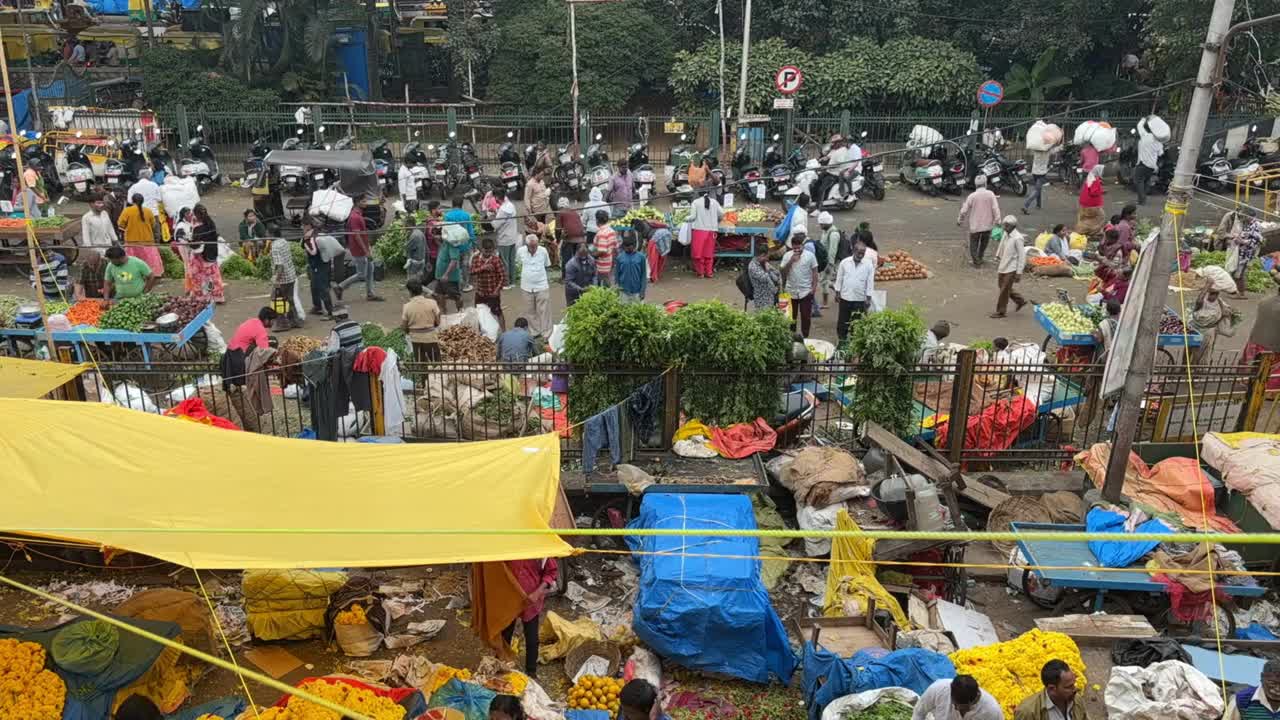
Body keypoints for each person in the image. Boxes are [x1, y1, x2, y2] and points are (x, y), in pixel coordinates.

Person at [503, 556, 558, 677]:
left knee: (532, 638)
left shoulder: (541, 550)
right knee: (505, 634)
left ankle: (531, 671)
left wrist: (538, 592)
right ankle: (501, 663)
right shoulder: (509, 544)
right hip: (510, 598)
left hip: (532, 600)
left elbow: (551, 572)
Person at [338, 206, 383, 302]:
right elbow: (357, 236)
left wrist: (368, 249)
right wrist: (366, 252)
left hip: (364, 248)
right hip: (359, 250)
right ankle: (340, 286)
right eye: (363, 201)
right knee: (361, 274)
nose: (366, 203)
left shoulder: (358, 215)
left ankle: (370, 293)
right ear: (358, 203)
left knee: (371, 268)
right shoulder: (355, 217)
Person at [1014, 659, 1084, 720]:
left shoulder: (1076, 700)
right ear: (1052, 689)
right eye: (1068, 687)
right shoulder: (1027, 712)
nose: (1074, 689)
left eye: (1073, 684)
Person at [834, 241, 875, 343]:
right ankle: (842, 341)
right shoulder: (845, 262)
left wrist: (868, 298)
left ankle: (854, 342)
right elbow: (839, 278)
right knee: (842, 321)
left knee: (857, 323)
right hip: (845, 298)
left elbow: (870, 282)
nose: (861, 255)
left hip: (859, 299)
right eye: (859, 252)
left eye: (863, 253)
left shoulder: (868, 265)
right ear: (853, 250)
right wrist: (837, 292)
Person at [957, 175, 1001, 267]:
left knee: (973, 244)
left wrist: (960, 220)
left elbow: (964, 210)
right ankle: (980, 258)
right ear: (985, 184)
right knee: (983, 244)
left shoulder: (972, 196)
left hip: (975, 226)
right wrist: (998, 220)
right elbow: (995, 208)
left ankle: (976, 261)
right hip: (988, 225)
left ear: (976, 185)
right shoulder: (990, 194)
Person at [912, 675, 1002, 720]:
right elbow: (919, 712)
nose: (957, 708)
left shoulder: (992, 712)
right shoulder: (939, 689)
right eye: (954, 704)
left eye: (964, 708)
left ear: (974, 700)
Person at [781, 233, 819, 337]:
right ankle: (790, 337)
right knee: (789, 318)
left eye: (799, 246)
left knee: (806, 317)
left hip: (805, 291)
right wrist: (791, 261)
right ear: (792, 246)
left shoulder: (810, 256)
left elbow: (815, 272)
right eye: (795, 246)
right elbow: (782, 272)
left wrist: (814, 288)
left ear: (802, 246)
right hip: (790, 291)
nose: (797, 249)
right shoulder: (787, 256)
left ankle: (805, 337)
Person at [117, 192, 163, 276]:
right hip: (147, 241)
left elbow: (120, 224)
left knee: (132, 263)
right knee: (148, 262)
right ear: (143, 201)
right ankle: (151, 276)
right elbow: (153, 225)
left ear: (132, 201)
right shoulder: (148, 211)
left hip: (132, 242)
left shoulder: (127, 211)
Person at [991, 215, 1028, 318]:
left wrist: (1019, 272)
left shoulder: (1018, 238)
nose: (1004, 228)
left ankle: (1001, 311)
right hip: (1003, 264)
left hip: (1012, 267)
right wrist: (997, 256)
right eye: (1004, 225)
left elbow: (1022, 256)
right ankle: (1020, 300)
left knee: (1004, 290)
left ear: (1013, 226)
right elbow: (1001, 245)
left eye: (1007, 226)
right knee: (1003, 286)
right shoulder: (1006, 234)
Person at [302, 223, 341, 319]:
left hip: (319, 266)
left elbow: (313, 251)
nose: (302, 229)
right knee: (314, 286)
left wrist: (305, 241)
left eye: (303, 226)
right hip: (324, 263)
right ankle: (317, 306)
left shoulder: (312, 238)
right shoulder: (319, 234)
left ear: (308, 227)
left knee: (322, 288)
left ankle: (330, 312)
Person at [1190, 282, 1237, 360]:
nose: (1212, 296)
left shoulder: (1219, 302)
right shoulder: (1202, 301)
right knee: (1191, 349)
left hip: (1210, 331)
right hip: (1196, 329)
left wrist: (1228, 313)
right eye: (1211, 293)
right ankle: (1185, 366)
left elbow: (1228, 311)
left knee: (1205, 351)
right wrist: (1207, 286)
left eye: (1215, 294)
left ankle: (1198, 368)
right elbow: (1198, 301)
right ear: (1207, 293)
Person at [188, 204, 224, 303]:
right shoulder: (211, 223)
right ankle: (217, 297)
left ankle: (203, 297)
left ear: (196, 214)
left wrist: (188, 241)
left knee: (199, 278)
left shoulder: (197, 228)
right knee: (213, 277)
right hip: (211, 255)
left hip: (200, 257)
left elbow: (195, 245)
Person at [470, 237, 508, 329]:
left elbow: (503, 276)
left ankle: (504, 332)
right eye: (486, 251)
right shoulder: (475, 258)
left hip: (492, 293)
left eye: (490, 251)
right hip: (480, 292)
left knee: (497, 312)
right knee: (479, 312)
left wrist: (497, 290)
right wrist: (483, 268)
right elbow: (471, 271)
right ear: (481, 249)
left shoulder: (496, 260)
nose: (488, 253)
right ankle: (481, 332)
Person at [401, 278, 442, 362]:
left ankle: (424, 375)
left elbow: (404, 327)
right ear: (422, 290)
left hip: (416, 340)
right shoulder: (432, 303)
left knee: (421, 364)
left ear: (410, 292)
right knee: (437, 364)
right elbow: (438, 322)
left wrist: (411, 330)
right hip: (431, 338)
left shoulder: (407, 307)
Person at [518, 233, 551, 336]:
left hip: (542, 286)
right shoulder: (520, 251)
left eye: (535, 246)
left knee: (544, 310)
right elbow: (518, 263)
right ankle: (535, 332)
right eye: (531, 247)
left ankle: (546, 333)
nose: (533, 249)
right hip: (526, 287)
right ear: (526, 245)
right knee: (529, 311)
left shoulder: (543, 251)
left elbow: (546, 264)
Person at [444, 196, 476, 291]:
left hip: (453, 246)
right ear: (461, 205)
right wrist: (474, 243)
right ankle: (465, 285)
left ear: (452, 204)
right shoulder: (466, 215)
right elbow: (470, 231)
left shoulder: (448, 216)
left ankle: (455, 285)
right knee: (465, 265)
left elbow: (445, 231)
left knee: (454, 265)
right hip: (465, 245)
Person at [269, 234, 301, 330]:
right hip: (291, 275)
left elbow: (280, 266)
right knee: (289, 299)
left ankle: (282, 324)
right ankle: (294, 320)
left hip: (283, 279)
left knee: (276, 300)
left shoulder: (275, 247)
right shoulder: (284, 241)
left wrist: (277, 280)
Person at [690, 190, 724, 278]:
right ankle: (709, 272)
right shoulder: (714, 202)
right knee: (708, 253)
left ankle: (700, 273)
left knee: (698, 253)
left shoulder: (696, 202)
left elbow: (693, 217)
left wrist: (686, 219)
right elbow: (722, 213)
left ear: (698, 193)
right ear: (709, 193)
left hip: (699, 230)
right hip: (711, 231)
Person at [433, 226, 466, 313]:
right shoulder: (444, 243)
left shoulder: (452, 245)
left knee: (456, 296)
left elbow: (454, 261)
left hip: (449, 278)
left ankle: (461, 312)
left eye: (438, 234)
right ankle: (444, 312)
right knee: (438, 295)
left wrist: (446, 274)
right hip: (440, 276)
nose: (436, 236)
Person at [1231, 213, 1264, 298]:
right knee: (1236, 272)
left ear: (1250, 215)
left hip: (1246, 254)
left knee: (1239, 274)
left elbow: (1256, 242)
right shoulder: (1247, 223)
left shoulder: (1256, 225)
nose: (1243, 217)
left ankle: (1241, 294)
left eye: (1245, 215)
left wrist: (1242, 241)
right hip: (1241, 252)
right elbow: (1244, 235)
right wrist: (1237, 238)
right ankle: (1238, 292)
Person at [494, 187, 519, 288]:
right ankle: (512, 281)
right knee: (511, 260)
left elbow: (496, 225)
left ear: (497, 197)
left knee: (504, 262)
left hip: (504, 238)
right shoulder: (510, 205)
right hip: (512, 236)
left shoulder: (503, 210)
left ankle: (506, 283)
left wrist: (491, 219)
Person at [1134, 120, 1164, 206]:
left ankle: (1142, 200)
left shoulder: (1144, 135)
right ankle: (1143, 199)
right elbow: (1161, 153)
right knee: (1146, 181)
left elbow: (1139, 125)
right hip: (1152, 166)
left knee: (1138, 181)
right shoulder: (1159, 142)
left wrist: (1145, 119)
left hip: (1142, 163)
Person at [818, 211, 843, 307]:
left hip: (829, 262)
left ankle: (825, 302)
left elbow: (832, 251)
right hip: (824, 261)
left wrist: (830, 265)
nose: (820, 225)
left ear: (825, 223)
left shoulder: (833, 234)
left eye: (821, 224)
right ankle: (838, 291)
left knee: (824, 281)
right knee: (825, 280)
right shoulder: (825, 231)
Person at [747, 244, 781, 312]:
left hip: (771, 296)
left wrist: (771, 272)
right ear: (762, 255)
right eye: (767, 256)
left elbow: (776, 273)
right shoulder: (753, 267)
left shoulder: (763, 262)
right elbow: (766, 278)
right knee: (764, 319)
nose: (767, 258)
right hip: (762, 299)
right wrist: (769, 271)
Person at [615, 234, 648, 303]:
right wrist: (617, 288)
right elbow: (617, 275)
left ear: (634, 245)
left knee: (637, 311)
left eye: (628, 247)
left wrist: (642, 291)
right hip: (623, 291)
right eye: (625, 247)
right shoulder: (620, 257)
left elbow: (643, 275)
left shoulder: (641, 257)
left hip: (637, 291)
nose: (626, 249)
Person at [557, 196, 587, 272]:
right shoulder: (574, 211)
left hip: (570, 238)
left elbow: (557, 229)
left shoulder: (560, 212)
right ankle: (579, 273)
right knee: (578, 257)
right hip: (581, 237)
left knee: (566, 257)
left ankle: (566, 275)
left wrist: (558, 240)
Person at [1076, 165, 1106, 238]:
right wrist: (1100, 191)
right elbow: (1093, 192)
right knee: (1100, 217)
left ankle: (1083, 230)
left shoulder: (1090, 177)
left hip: (1084, 202)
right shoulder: (1095, 180)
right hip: (1092, 204)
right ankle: (1093, 232)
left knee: (1086, 218)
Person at [1023, 143, 1051, 214]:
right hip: (1042, 173)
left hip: (1034, 171)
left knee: (1038, 188)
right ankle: (1026, 205)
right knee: (1037, 190)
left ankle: (1038, 205)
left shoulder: (1036, 150)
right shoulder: (1047, 150)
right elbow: (1056, 148)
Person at [565, 242, 596, 306]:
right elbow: (569, 281)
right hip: (573, 293)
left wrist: (593, 285)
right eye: (581, 254)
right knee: (573, 309)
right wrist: (580, 289)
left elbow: (595, 275)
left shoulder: (591, 260)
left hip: (587, 290)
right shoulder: (571, 264)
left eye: (585, 254)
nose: (583, 256)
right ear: (577, 252)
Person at [593, 210, 618, 287]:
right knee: (608, 280)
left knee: (604, 283)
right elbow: (615, 247)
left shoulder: (601, 233)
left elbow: (602, 251)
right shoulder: (611, 231)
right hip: (610, 261)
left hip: (603, 264)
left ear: (597, 220)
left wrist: (592, 255)